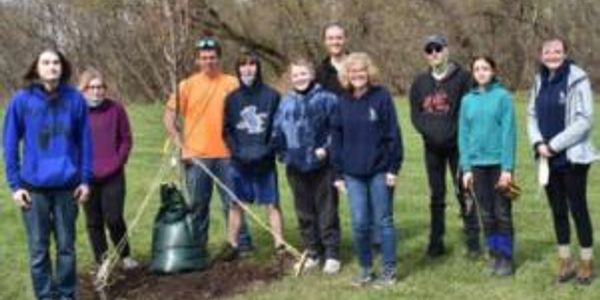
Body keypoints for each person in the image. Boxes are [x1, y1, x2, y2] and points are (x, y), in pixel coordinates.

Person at [3, 49, 92, 300]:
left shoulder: (75, 100)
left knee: (66, 248)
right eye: (46, 62)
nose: (51, 66)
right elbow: (9, 145)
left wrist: (85, 180)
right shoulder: (21, 101)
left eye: (56, 62)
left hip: (67, 186)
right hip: (33, 189)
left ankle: (66, 295)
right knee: (38, 250)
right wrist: (15, 185)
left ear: (62, 68)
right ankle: (45, 296)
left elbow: (85, 142)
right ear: (36, 68)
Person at [163, 36, 253, 257]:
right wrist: (181, 145)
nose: (208, 62)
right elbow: (169, 117)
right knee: (197, 205)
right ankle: (197, 247)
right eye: (204, 58)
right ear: (197, 61)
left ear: (219, 59)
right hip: (196, 157)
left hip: (228, 155)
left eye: (212, 57)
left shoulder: (232, 83)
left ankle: (241, 245)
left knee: (233, 202)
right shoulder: (186, 86)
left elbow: (247, 114)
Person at [527, 37, 598, 284]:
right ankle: (565, 262)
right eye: (547, 52)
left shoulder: (577, 79)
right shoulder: (539, 80)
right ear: (541, 55)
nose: (552, 55)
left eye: (557, 51)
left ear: (566, 53)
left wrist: (554, 145)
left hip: (572, 158)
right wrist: (538, 144)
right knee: (557, 211)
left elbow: (585, 120)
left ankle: (587, 262)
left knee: (578, 210)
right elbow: (531, 115)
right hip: (547, 159)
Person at [331, 52, 403, 287]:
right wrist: (338, 174)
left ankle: (389, 270)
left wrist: (393, 168)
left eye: (361, 71)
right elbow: (337, 138)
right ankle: (365, 269)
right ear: (346, 76)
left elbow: (393, 135)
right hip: (352, 174)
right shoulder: (341, 101)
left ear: (368, 73)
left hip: (380, 171)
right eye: (352, 72)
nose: (357, 76)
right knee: (360, 223)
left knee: (384, 221)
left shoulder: (381, 97)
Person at [409, 34, 481, 258]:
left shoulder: (464, 79)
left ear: (447, 50)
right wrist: (430, 133)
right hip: (432, 147)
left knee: (464, 190)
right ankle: (436, 240)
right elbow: (416, 114)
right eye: (429, 50)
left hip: (458, 146)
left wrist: (452, 134)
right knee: (436, 194)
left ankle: (473, 240)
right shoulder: (420, 82)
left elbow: (470, 112)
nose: (434, 54)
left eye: (438, 49)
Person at [272, 58, 342, 274]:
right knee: (304, 211)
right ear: (291, 79)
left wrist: (326, 148)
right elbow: (277, 130)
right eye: (295, 75)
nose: (300, 78)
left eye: (303, 74)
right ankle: (312, 250)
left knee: (326, 209)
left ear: (311, 75)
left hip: (322, 165)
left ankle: (331, 253)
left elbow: (337, 129)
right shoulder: (285, 102)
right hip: (295, 165)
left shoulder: (327, 99)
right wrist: (283, 153)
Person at [221, 49, 285, 260]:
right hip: (240, 161)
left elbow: (278, 129)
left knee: (272, 203)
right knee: (236, 203)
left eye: (252, 65)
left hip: (264, 160)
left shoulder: (272, 96)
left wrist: (268, 151)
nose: (248, 69)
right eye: (243, 65)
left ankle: (280, 245)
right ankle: (232, 244)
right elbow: (227, 130)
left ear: (258, 68)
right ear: (238, 69)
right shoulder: (231, 99)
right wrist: (236, 152)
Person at [459, 56, 517, 277]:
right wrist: (466, 168)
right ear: (473, 73)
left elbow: (508, 133)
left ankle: (506, 258)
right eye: (477, 69)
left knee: (502, 212)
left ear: (493, 71)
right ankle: (494, 254)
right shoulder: (467, 101)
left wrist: (507, 168)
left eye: (485, 68)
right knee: (486, 214)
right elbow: (463, 135)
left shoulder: (502, 97)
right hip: (477, 166)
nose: (481, 72)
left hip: (499, 166)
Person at [77, 67, 139, 270]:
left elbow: (126, 139)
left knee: (114, 218)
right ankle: (102, 261)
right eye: (92, 87)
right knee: (94, 222)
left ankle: (126, 256)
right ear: (84, 89)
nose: (97, 91)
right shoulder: (76, 112)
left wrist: (118, 160)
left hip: (113, 174)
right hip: (87, 177)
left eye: (100, 87)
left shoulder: (115, 109)